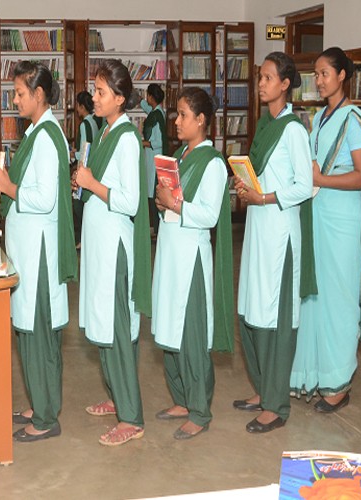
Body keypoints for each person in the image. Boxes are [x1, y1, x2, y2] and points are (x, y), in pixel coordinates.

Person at [290, 47, 361, 412]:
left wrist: (322, 179)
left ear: (342, 75)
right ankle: (316, 373)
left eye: (325, 73)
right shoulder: (321, 117)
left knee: (340, 301)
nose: (319, 79)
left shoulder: (353, 119)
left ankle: (339, 385)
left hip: (342, 223)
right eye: (316, 73)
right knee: (317, 299)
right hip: (320, 217)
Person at [0, 61, 77, 443]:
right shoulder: (38, 131)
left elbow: (43, 199)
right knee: (29, 331)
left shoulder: (46, 137)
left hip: (40, 251)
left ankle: (45, 417)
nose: (15, 99)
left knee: (38, 334)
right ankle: (39, 402)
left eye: (20, 93)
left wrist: (7, 187)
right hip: (29, 247)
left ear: (39, 95)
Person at [233, 52, 313, 433]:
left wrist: (263, 197)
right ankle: (264, 388)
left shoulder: (294, 130)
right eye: (259, 77)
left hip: (280, 233)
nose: (261, 83)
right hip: (257, 229)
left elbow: (305, 185)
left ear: (285, 84)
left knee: (275, 317)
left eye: (267, 77)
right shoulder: (266, 124)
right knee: (251, 308)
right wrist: (245, 186)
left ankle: (276, 404)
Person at [74, 59, 152, 446]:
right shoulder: (105, 133)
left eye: (102, 91)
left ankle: (132, 417)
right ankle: (115, 396)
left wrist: (91, 182)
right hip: (98, 241)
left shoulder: (126, 138)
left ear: (120, 98)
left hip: (115, 245)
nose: (94, 96)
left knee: (118, 327)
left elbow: (131, 201)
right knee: (102, 319)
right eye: (94, 89)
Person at [151, 87, 234, 440]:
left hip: (192, 257)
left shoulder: (212, 162)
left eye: (184, 115)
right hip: (170, 250)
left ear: (202, 120)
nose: (177, 121)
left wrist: (174, 205)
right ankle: (182, 399)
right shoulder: (179, 156)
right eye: (177, 114)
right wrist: (162, 202)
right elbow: (171, 201)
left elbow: (209, 214)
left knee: (192, 333)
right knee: (170, 326)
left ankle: (200, 410)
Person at [72, 91, 101, 248]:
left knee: (78, 205)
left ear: (81, 106)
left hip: (84, 167)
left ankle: (82, 238)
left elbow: (85, 149)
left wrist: (73, 154)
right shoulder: (95, 122)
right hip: (93, 167)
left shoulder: (84, 124)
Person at [140, 83, 167, 233]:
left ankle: (157, 229)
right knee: (151, 192)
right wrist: (139, 99)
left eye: (147, 95)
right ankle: (156, 229)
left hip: (154, 159)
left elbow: (158, 142)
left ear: (151, 96)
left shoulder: (156, 117)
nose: (146, 98)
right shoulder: (156, 112)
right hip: (152, 158)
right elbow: (146, 106)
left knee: (153, 193)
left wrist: (142, 142)